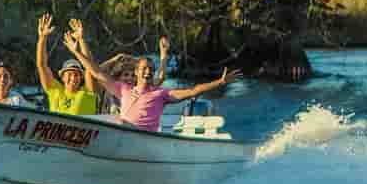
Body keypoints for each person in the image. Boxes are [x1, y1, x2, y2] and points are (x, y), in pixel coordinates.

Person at [62, 23, 242, 132]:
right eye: (144, 69)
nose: (147, 72)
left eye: (150, 69)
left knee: (121, 124)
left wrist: (220, 81)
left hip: (142, 138)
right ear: (137, 72)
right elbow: (95, 72)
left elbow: (193, 90)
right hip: (120, 134)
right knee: (117, 123)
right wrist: (76, 51)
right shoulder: (122, 89)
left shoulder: (160, 93)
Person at [35, 13, 98, 115]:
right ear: (62, 77)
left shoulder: (87, 92)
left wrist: (81, 40)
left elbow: (90, 67)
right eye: (69, 74)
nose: (73, 78)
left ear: (82, 78)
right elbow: (41, 65)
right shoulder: (55, 90)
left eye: (77, 74)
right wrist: (42, 38)